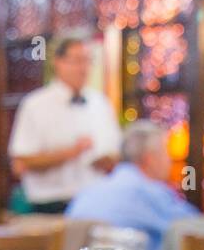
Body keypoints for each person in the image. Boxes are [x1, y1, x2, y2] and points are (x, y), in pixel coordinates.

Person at [65, 120, 195, 250]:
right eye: (167, 153)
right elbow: (196, 229)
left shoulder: (87, 192)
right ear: (150, 159)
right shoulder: (151, 193)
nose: (170, 161)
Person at [8, 36, 120, 214]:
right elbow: (21, 161)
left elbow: (114, 151)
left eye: (87, 61)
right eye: (76, 61)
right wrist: (71, 152)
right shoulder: (35, 105)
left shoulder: (100, 103)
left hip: (96, 200)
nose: (83, 68)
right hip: (51, 203)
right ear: (57, 62)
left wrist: (107, 160)